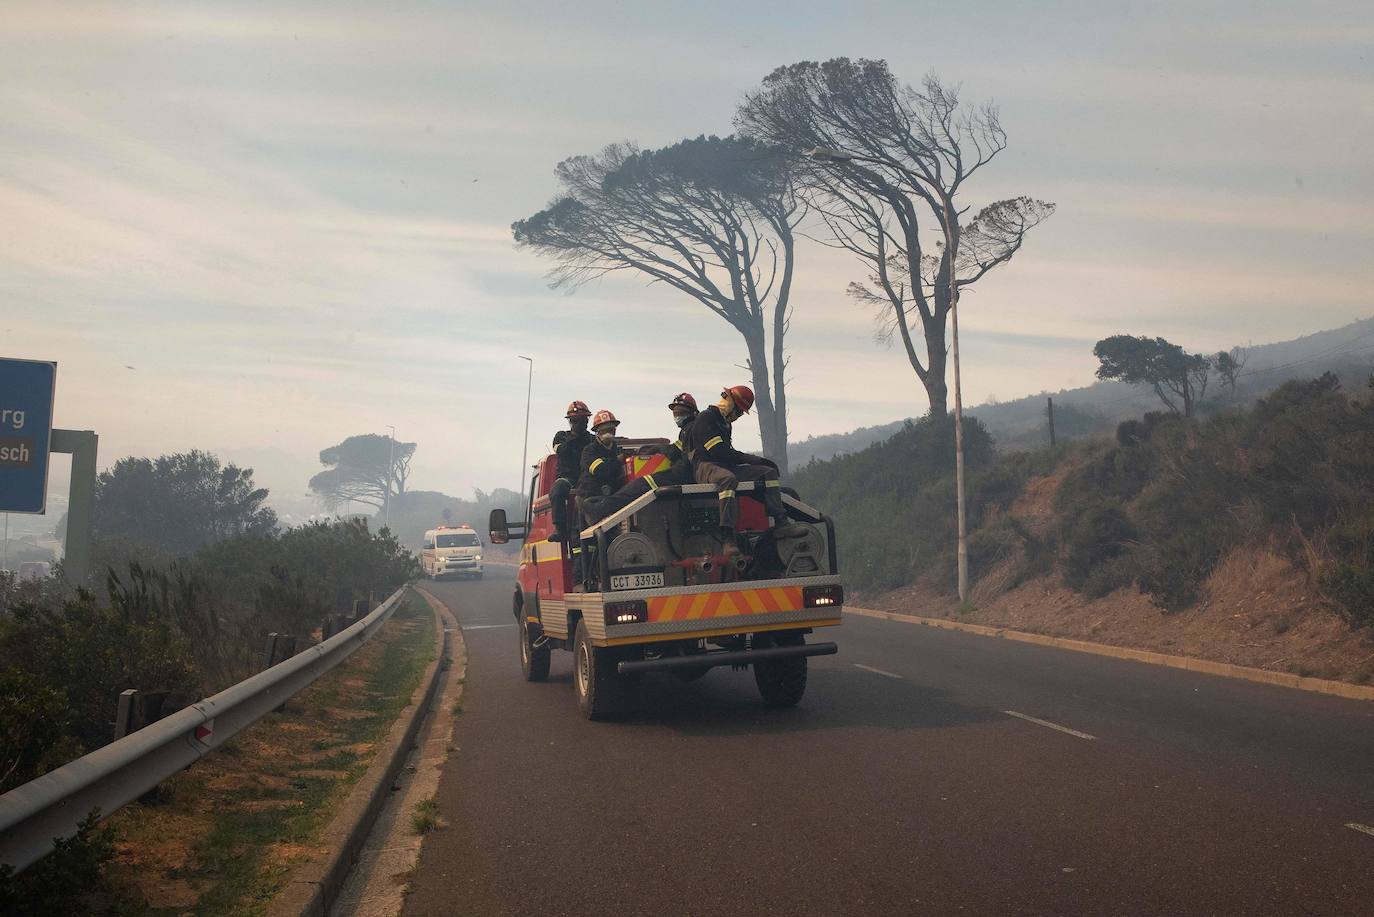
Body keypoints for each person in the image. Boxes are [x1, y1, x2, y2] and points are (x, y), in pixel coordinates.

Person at [684, 384, 796, 553]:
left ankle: (781, 522)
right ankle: (728, 537)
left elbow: (727, 455)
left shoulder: (725, 424)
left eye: (741, 413)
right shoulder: (706, 418)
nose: (738, 416)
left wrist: (760, 464)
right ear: (728, 400)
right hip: (705, 466)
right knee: (727, 480)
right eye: (738, 411)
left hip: (725, 465)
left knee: (768, 473)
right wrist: (752, 459)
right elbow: (718, 451)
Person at [548, 400, 592, 543]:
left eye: (586, 419)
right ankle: (559, 529)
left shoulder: (591, 439)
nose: (584, 423)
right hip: (568, 479)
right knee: (557, 489)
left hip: (586, 479)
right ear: (572, 421)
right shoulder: (561, 436)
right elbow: (560, 450)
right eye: (580, 420)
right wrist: (575, 436)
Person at [575, 409, 626, 526]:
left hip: (611, 498)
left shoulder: (618, 450)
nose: (607, 432)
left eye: (610, 429)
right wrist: (617, 461)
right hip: (589, 499)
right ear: (597, 432)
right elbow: (601, 470)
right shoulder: (589, 451)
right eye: (604, 430)